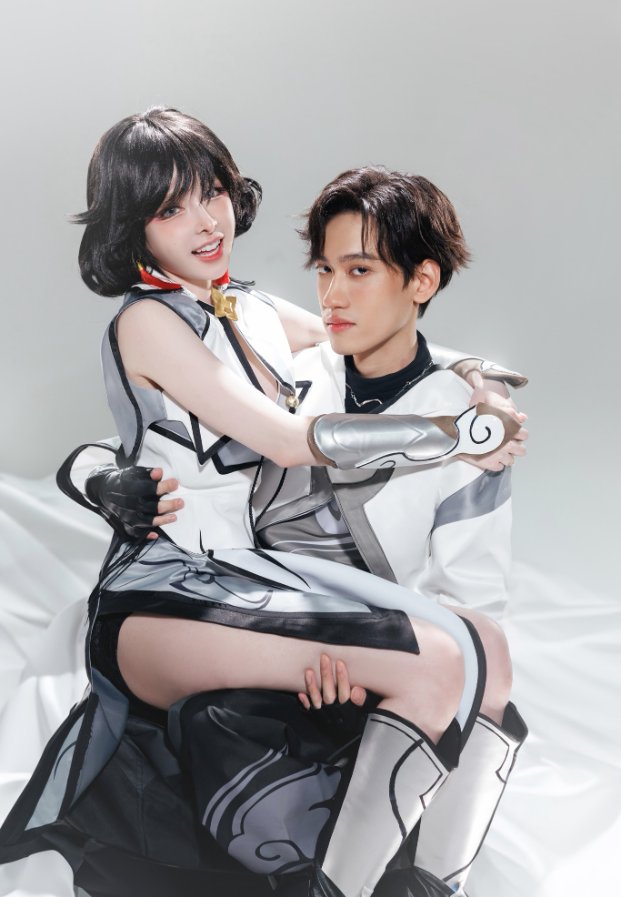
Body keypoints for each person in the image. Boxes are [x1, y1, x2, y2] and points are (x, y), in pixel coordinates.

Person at [0, 109, 517, 897]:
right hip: (160, 595)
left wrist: (476, 375)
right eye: (170, 208)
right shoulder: (147, 321)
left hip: (251, 578)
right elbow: (287, 440)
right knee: (436, 663)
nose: (206, 220)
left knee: (488, 650)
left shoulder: (249, 307)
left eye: (211, 192)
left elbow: (376, 334)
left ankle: (429, 886)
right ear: (133, 226)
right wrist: (452, 434)